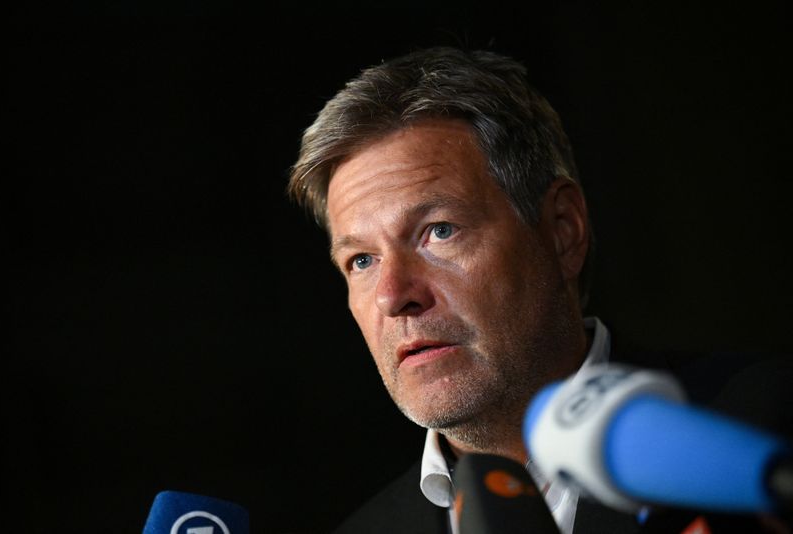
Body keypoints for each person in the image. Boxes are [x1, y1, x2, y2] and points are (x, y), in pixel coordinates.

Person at [286, 46, 791, 534]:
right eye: (362, 261)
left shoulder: (762, 430)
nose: (394, 296)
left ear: (562, 229)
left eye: (439, 231)